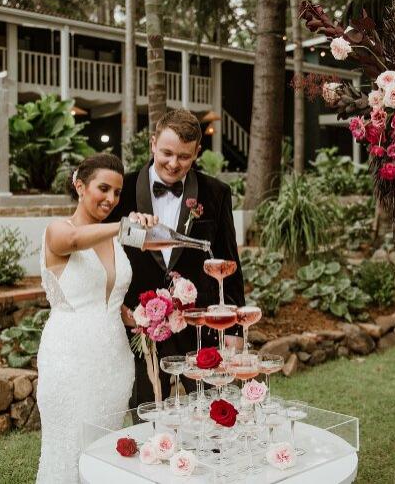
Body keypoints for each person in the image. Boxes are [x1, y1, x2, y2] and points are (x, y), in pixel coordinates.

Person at [108, 109, 245, 407]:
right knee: (146, 413)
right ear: (153, 143)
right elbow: (104, 252)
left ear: (197, 152)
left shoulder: (216, 193)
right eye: (167, 153)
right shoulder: (122, 190)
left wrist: (234, 329)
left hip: (199, 328)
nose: (173, 163)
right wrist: (118, 306)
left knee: (210, 411)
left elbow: (229, 261)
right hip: (138, 326)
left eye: (184, 156)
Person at [35, 152, 157, 483]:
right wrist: (123, 225)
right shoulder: (58, 230)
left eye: (117, 193)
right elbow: (73, 241)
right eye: (103, 189)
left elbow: (109, 299)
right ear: (79, 186)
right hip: (69, 360)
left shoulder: (116, 240)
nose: (111, 199)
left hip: (114, 360)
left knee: (104, 451)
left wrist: (144, 316)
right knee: (69, 449)